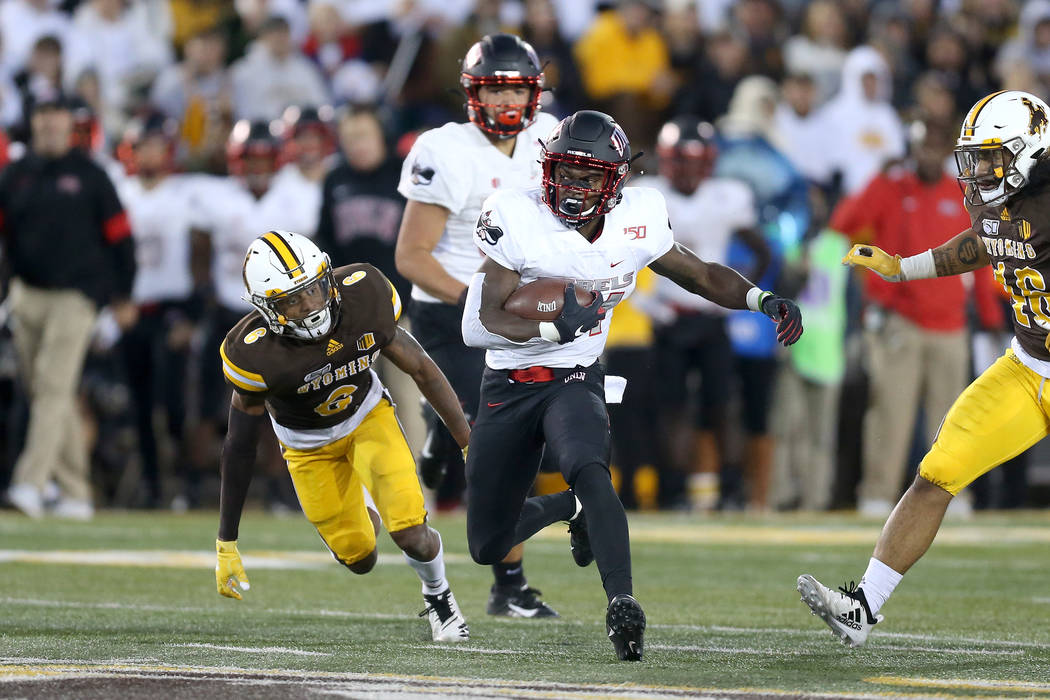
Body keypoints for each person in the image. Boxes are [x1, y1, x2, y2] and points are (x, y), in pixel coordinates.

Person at [462, 110, 803, 660]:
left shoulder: (639, 216)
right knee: (488, 544)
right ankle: (568, 509)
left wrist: (762, 299)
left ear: (616, 179)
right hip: (510, 380)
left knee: (589, 465)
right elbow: (477, 324)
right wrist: (550, 324)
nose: (573, 187)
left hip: (576, 373)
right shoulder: (515, 214)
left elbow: (701, 274)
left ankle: (622, 602)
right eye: (565, 172)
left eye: (587, 176)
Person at [798, 90, 1050, 648]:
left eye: (993, 157)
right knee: (937, 472)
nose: (980, 170)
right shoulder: (992, 200)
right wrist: (899, 267)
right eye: (976, 157)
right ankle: (862, 607)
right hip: (1028, 365)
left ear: (1032, 152)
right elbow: (986, 242)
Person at [213, 230, 470, 643]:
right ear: (266, 308)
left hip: (368, 417)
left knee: (410, 533)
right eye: (291, 300)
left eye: (313, 290)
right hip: (306, 447)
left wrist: (467, 441)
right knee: (359, 558)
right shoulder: (252, 353)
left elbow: (421, 368)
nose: (310, 306)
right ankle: (361, 497)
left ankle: (439, 597)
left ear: (327, 278)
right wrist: (227, 540)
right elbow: (238, 446)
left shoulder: (364, 295)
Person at [395, 33, 560, 619]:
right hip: (451, 312)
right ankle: (509, 584)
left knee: (532, 437)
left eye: (516, 87)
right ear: (473, 93)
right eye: (495, 88)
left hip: (522, 308)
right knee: (500, 443)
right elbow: (412, 255)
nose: (506, 101)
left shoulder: (550, 140)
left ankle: (442, 434)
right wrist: (481, 303)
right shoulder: (446, 149)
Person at [829, 119, 1001, 517]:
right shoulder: (891, 187)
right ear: (912, 148)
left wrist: (990, 318)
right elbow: (843, 224)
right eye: (921, 147)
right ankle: (876, 494)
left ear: (944, 154)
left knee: (953, 421)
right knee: (891, 414)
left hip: (951, 324)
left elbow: (978, 257)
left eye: (934, 148)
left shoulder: (961, 197)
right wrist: (877, 175)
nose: (927, 155)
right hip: (899, 322)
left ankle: (953, 496)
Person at [1, 95, 137, 519]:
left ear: (68, 123)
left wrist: (124, 295)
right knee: (42, 390)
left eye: (56, 117)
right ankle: (76, 491)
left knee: (52, 385)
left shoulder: (92, 176)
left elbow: (121, 239)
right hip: (26, 292)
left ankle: (30, 483)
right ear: (35, 123)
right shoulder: (15, 175)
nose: (49, 124)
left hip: (77, 296)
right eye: (41, 116)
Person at [114, 110, 204, 508]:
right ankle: (152, 483)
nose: (149, 156)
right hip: (131, 307)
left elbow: (206, 254)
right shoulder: (118, 189)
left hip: (172, 308)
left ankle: (183, 482)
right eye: (142, 147)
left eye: (154, 147)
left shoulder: (187, 193)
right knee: (138, 400)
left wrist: (193, 314)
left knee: (173, 403)